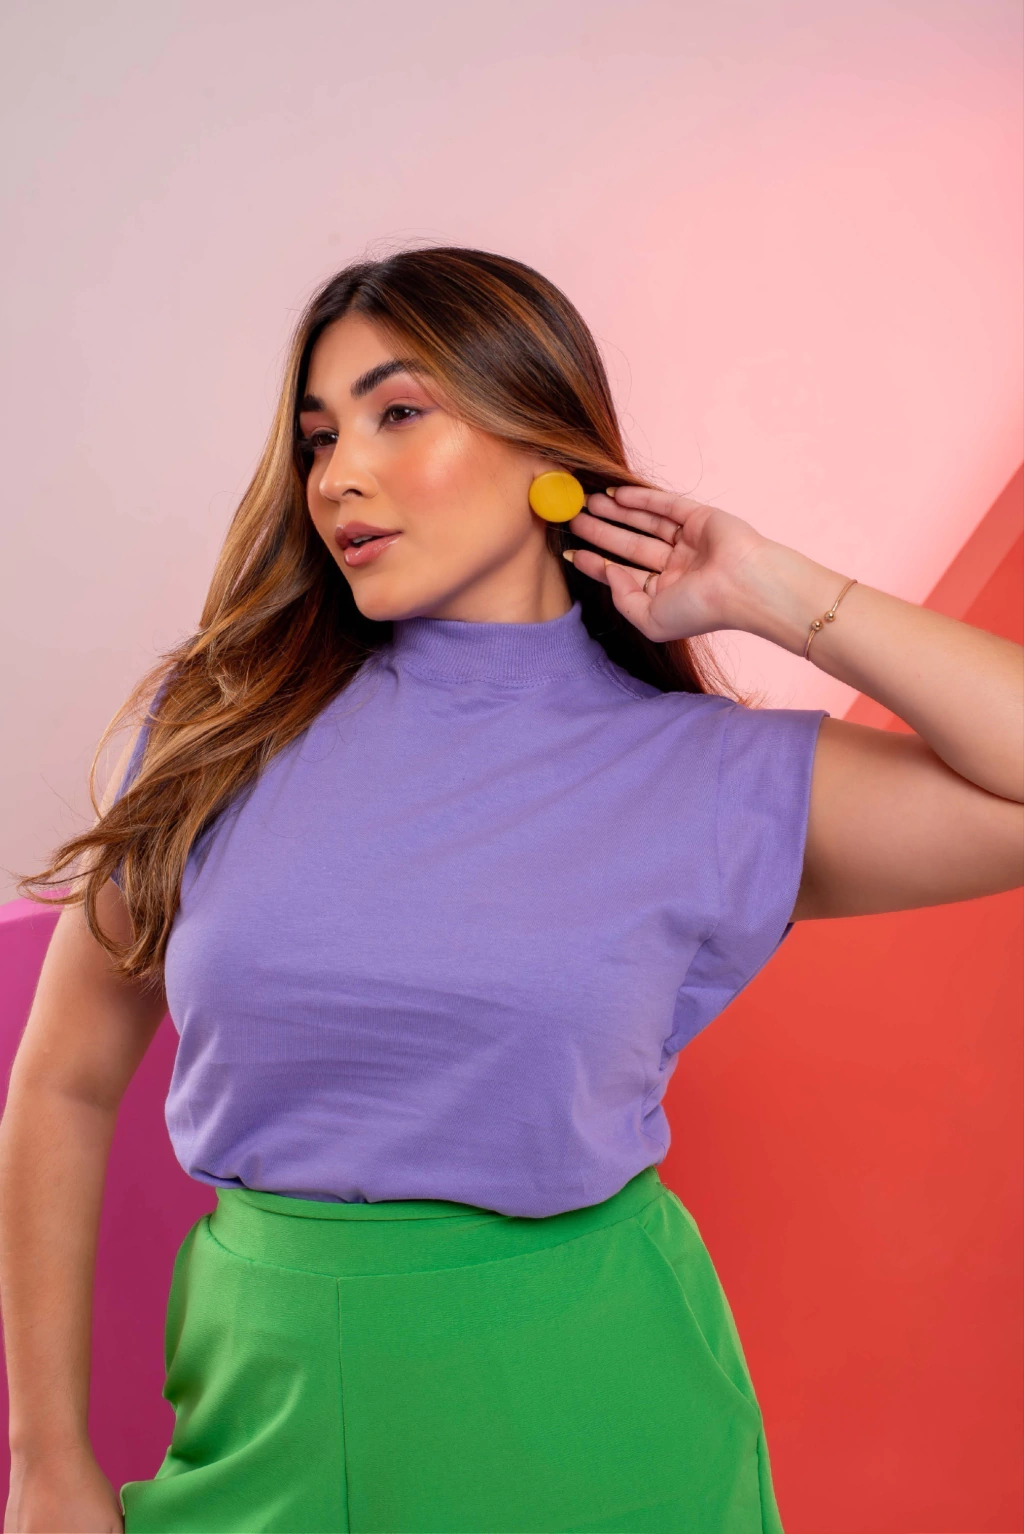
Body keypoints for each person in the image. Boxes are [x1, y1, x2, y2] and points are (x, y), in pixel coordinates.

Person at [1, 246, 1021, 1534]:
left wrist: (775, 589)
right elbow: (64, 1079)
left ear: (543, 444)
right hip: (258, 1416)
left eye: (397, 411)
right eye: (319, 438)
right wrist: (48, 1458)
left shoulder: (702, 774)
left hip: (594, 1420)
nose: (339, 475)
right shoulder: (213, 726)